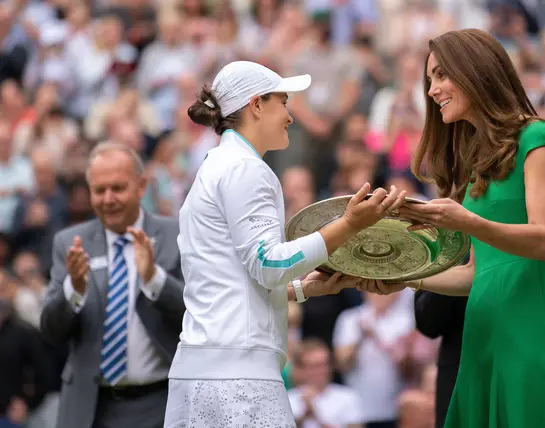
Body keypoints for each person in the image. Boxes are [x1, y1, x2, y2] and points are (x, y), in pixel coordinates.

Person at [358, 30, 545, 427]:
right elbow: (474, 275)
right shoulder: (478, 161)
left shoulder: (538, 137)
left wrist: (466, 221)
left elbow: (543, 240)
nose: (432, 90)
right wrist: (403, 277)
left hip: (527, 331)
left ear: (475, 71)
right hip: (481, 335)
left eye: (441, 76)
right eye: (429, 80)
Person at [163, 61, 407, 427]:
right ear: (256, 105)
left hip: (206, 369)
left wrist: (301, 289)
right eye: (284, 102)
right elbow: (269, 264)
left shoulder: (216, 166)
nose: (290, 116)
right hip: (238, 378)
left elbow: (233, 277)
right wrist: (350, 224)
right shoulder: (246, 170)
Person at [40, 142, 186, 428]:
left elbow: (198, 314)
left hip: (163, 403)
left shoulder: (176, 235)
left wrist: (153, 279)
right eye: (99, 190)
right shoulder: (69, 243)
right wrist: (75, 289)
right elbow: (51, 330)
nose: (108, 199)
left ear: (141, 186)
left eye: (118, 188)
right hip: (90, 408)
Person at [414, 203, 545, 426]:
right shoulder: (437, 212)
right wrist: (457, 248)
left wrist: (476, 227)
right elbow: (426, 320)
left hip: (523, 370)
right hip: (460, 373)